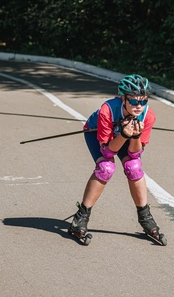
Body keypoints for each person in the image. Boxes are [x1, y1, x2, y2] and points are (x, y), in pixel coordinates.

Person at [69, 74, 165, 244]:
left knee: (134, 166)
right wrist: (124, 134)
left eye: (143, 101)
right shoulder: (108, 110)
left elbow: (135, 154)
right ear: (123, 98)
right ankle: (80, 218)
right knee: (106, 168)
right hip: (96, 133)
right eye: (134, 101)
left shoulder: (148, 116)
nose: (139, 106)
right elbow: (107, 152)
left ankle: (145, 218)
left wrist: (135, 135)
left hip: (126, 136)